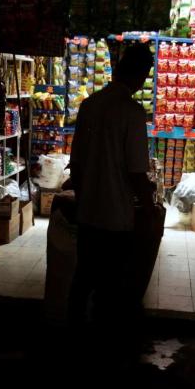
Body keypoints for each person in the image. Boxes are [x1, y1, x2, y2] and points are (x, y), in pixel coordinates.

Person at [66, 44, 156, 332]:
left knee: (83, 277)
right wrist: (150, 208)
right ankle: (105, 342)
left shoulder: (89, 105)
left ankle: (73, 335)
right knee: (113, 281)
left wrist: (82, 202)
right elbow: (137, 172)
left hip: (89, 212)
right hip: (117, 217)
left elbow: (76, 166)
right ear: (142, 76)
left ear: (117, 70)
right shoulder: (132, 112)